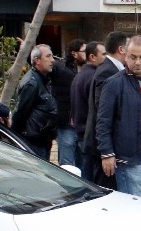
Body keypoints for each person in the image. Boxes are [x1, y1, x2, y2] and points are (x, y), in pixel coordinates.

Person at [96, 36, 141, 198]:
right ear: (125, 56)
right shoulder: (114, 83)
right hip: (130, 158)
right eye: (133, 57)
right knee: (135, 208)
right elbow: (103, 121)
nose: (137, 62)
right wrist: (107, 153)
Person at [82, 31, 128, 185]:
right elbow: (103, 112)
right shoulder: (107, 72)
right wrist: (106, 151)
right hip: (102, 148)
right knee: (106, 189)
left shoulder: (111, 69)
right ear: (122, 49)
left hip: (105, 146)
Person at [11, 44, 58, 160]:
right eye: (48, 56)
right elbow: (20, 113)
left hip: (43, 141)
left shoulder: (43, 79)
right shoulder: (32, 83)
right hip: (33, 143)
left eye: (52, 56)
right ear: (37, 60)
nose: (52, 60)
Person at [72, 41, 106, 181]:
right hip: (89, 137)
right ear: (92, 57)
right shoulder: (94, 77)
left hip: (82, 134)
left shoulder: (80, 76)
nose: (107, 58)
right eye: (104, 54)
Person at [50, 39, 86, 168]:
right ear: (74, 53)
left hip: (83, 126)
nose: (88, 54)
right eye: (84, 51)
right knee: (67, 164)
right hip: (66, 124)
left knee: (83, 164)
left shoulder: (89, 70)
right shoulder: (61, 68)